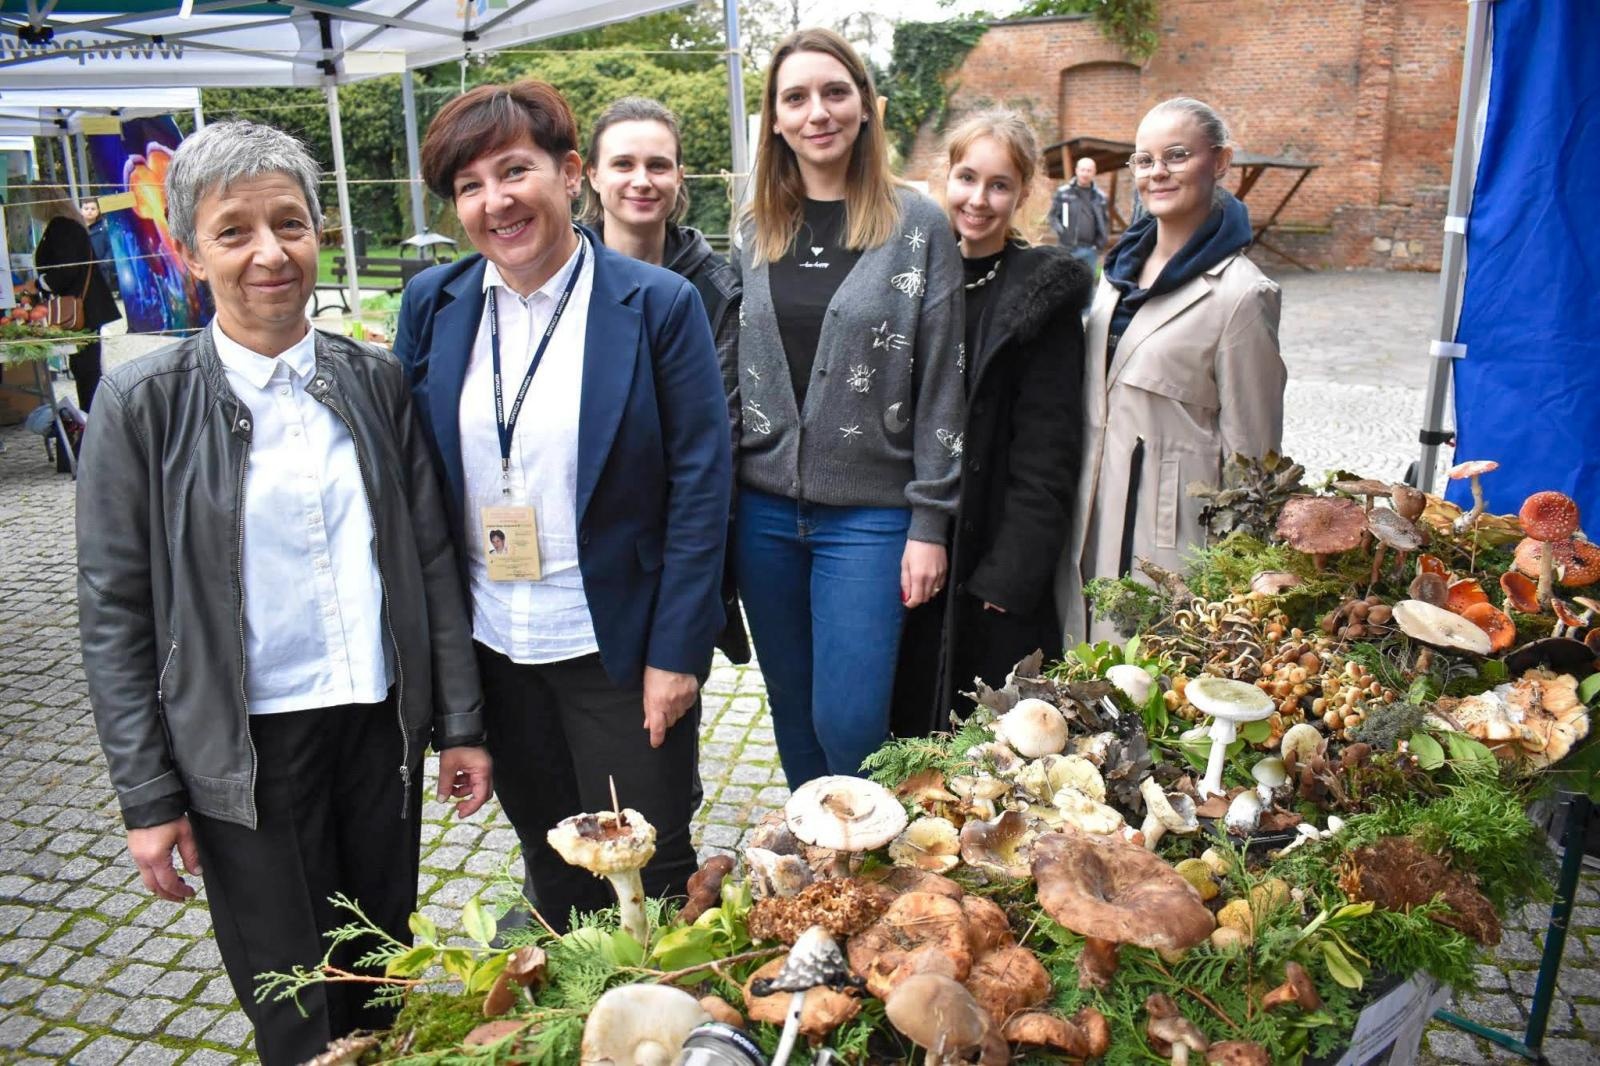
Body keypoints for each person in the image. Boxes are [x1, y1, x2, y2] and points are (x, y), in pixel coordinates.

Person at [74, 121, 492, 1066]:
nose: (270, 252)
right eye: (234, 231)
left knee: (378, 963)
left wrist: (459, 723)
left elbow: (430, 562)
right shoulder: (140, 407)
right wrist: (148, 795)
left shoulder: (374, 381)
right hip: (244, 746)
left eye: (291, 224)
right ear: (186, 250)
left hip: (373, 725)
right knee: (293, 992)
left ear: (320, 235)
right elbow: (115, 613)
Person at [396, 79, 730, 928]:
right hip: (496, 647)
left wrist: (676, 653)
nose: (495, 202)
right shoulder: (433, 305)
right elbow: (418, 484)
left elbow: (700, 483)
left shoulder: (656, 304)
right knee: (554, 860)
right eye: (469, 186)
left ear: (570, 173)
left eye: (514, 172)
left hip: (617, 652)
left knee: (648, 863)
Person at [733, 28, 965, 788]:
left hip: (868, 515)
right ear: (773, 119)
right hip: (762, 512)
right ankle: (816, 870)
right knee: (793, 712)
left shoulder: (917, 225)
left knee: (852, 719)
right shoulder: (753, 226)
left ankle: (865, 861)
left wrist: (929, 522)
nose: (817, 112)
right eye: (795, 98)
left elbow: (943, 383)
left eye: (835, 92)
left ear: (866, 105)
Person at [893, 110, 1092, 736]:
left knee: (979, 748)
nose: (979, 199)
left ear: (1023, 192)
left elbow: (1049, 446)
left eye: (999, 184)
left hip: (989, 560)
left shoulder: (1038, 298)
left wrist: (1010, 576)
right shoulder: (908, 277)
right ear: (943, 178)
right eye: (967, 178)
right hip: (904, 547)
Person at [1057, 97, 1285, 644]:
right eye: (1143, 160)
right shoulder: (1116, 274)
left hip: (1169, 537)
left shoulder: (1242, 294)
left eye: (1176, 155)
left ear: (1220, 160)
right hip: (1084, 516)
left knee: (1144, 688)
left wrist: (1239, 574)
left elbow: (1254, 458)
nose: (1157, 172)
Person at [579, 94, 749, 665]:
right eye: (624, 164)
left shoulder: (718, 289)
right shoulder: (558, 277)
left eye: (658, 165)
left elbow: (716, 433)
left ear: (679, 176)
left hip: (676, 544)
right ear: (592, 175)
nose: (642, 180)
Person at [27, 186, 121, 410]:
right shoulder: (66, 225)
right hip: (85, 306)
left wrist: (38, 284)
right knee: (85, 368)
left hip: (83, 308)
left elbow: (68, 270)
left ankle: (94, 421)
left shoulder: (62, 227)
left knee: (87, 370)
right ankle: (93, 418)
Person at [1049, 156, 1109, 270]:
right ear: (1076, 170)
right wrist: (1062, 232)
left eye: (1089, 170)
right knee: (1065, 283)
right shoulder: (1064, 193)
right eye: (1082, 170)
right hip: (1067, 248)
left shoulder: (1100, 197)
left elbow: (1105, 221)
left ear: (1094, 172)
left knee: (1087, 285)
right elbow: (1053, 217)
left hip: (1090, 250)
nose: (1085, 174)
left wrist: (1100, 243)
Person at [81, 197, 119, 295]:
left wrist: (104, 264)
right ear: (81, 210)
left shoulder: (105, 229)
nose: (89, 211)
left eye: (93, 209)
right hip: (83, 274)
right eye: (86, 208)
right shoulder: (77, 230)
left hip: (102, 274)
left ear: (98, 211)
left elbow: (111, 249)